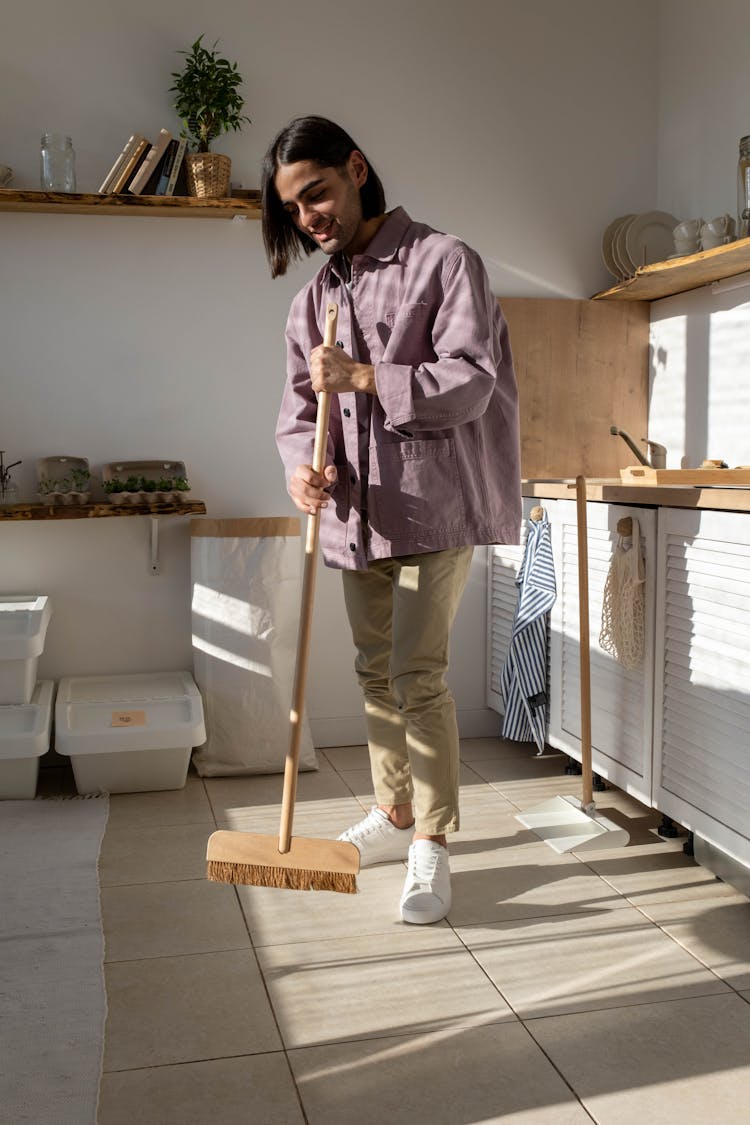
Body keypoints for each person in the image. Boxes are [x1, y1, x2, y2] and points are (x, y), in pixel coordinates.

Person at [261, 115, 521, 925]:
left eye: (319, 193)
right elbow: (298, 409)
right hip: (351, 514)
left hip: (429, 505)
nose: (312, 216)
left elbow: (471, 380)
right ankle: (394, 811)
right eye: (296, 208)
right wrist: (300, 468)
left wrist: (368, 374)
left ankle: (432, 844)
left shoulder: (445, 262)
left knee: (416, 674)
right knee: (373, 674)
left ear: (357, 168)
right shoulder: (314, 298)